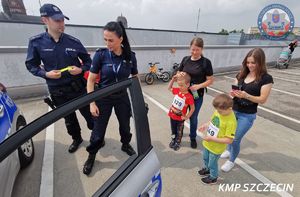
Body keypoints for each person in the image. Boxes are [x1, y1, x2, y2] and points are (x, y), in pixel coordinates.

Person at [25, 4, 94, 153]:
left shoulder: (73, 42)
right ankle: (77, 139)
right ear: (45, 20)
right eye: (57, 20)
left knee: (90, 114)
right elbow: (31, 65)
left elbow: (89, 62)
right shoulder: (36, 42)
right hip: (58, 91)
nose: (61, 24)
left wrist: (81, 69)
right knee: (69, 119)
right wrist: (45, 74)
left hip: (78, 87)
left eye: (63, 20)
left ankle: (96, 138)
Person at [83, 21, 138, 175]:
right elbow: (91, 80)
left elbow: (134, 78)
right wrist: (92, 103)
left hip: (122, 97)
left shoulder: (130, 56)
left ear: (121, 39)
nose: (107, 44)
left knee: (125, 126)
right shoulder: (100, 55)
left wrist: (138, 101)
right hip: (103, 98)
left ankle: (125, 144)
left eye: (111, 40)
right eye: (105, 40)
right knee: (98, 131)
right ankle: (92, 155)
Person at [220, 48, 273, 172]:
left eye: (253, 63)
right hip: (233, 110)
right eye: (248, 62)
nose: (250, 65)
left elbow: (263, 99)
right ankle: (228, 150)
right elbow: (234, 90)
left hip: (247, 115)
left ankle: (231, 161)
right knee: (229, 134)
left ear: (261, 62)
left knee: (235, 139)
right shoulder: (242, 74)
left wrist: (246, 95)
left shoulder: (266, 78)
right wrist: (233, 94)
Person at [178, 37, 214, 149]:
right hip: (184, 94)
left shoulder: (205, 62)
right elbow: (179, 71)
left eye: (197, 50)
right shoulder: (185, 59)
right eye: (192, 49)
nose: (194, 52)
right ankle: (178, 135)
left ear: (202, 49)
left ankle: (192, 137)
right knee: (181, 115)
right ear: (190, 48)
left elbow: (210, 80)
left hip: (197, 96)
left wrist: (198, 86)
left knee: (193, 117)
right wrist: (180, 74)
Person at [197, 93, 237, 184]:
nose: (218, 112)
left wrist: (212, 139)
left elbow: (229, 140)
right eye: (217, 110)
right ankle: (207, 169)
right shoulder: (219, 111)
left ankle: (213, 177)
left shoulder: (231, 122)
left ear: (230, 109)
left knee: (212, 163)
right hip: (208, 142)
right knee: (205, 158)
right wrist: (205, 125)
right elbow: (213, 121)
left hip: (216, 147)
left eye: (220, 111)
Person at [168, 72, 195, 151]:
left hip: (180, 118)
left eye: (181, 85)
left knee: (179, 131)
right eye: (178, 85)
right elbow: (169, 88)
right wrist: (173, 80)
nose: (179, 87)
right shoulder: (177, 91)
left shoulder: (189, 97)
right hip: (172, 115)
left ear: (187, 84)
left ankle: (178, 142)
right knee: (173, 130)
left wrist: (187, 116)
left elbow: (193, 108)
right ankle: (173, 139)